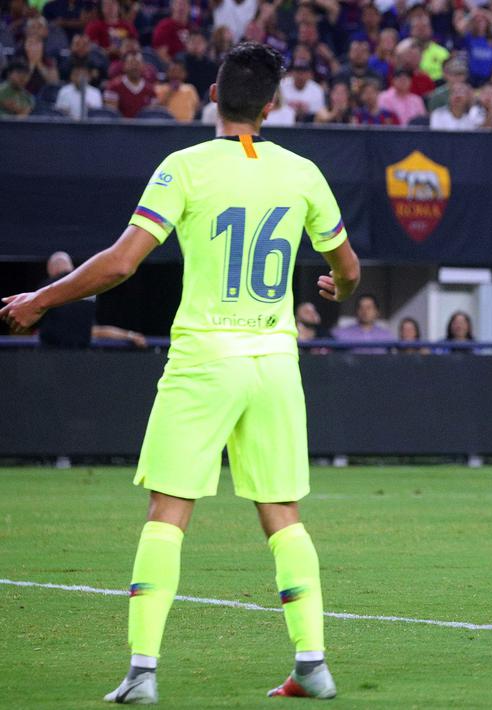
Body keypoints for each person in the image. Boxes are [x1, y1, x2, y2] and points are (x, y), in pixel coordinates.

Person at [0, 42, 361, 704]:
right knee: (282, 511)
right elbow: (350, 266)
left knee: (168, 509)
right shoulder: (303, 171)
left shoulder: (185, 167)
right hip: (276, 361)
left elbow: (119, 264)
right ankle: (313, 662)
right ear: (272, 106)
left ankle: (142, 672)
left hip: (205, 357)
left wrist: (38, 298)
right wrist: (336, 283)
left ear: (214, 98)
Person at [34, 251, 147, 348]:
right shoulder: (89, 289)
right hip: (81, 360)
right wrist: (130, 335)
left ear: (52, 270)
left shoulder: (47, 287)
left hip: (50, 356)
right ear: (71, 267)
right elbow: (94, 331)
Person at [104, 51, 157, 118]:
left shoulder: (150, 90)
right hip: (120, 128)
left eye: (137, 63)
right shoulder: (113, 87)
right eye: (131, 63)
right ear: (124, 66)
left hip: (143, 127)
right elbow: (112, 117)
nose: (134, 67)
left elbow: (151, 116)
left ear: (143, 66)